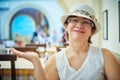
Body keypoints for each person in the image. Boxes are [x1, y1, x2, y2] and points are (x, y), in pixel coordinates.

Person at [10, 4, 120, 80]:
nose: (79, 25)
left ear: (92, 30)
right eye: (75, 20)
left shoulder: (105, 56)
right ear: (67, 26)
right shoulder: (55, 60)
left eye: (86, 22)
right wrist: (36, 61)